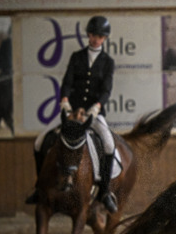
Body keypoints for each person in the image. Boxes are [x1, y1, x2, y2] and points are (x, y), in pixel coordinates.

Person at [26, 15, 119, 212]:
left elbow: (106, 90)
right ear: (88, 35)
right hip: (73, 112)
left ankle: (104, 191)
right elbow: (67, 82)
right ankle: (39, 188)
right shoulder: (76, 56)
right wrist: (65, 101)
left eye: (100, 37)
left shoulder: (108, 62)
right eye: (93, 35)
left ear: (105, 39)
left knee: (109, 144)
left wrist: (97, 107)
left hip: (94, 113)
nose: (96, 39)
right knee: (40, 141)